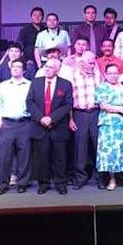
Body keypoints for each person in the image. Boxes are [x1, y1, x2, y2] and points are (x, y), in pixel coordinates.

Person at [27, 58, 73, 195]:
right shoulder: (36, 82)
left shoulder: (65, 84)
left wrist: (52, 118)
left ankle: (61, 184)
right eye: (46, 66)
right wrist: (41, 118)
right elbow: (29, 102)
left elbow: (68, 105)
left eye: (51, 67)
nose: (47, 69)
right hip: (39, 126)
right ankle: (43, 184)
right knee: (42, 157)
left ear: (57, 70)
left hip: (58, 127)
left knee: (60, 158)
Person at [96, 63, 123, 191]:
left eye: (115, 73)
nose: (113, 75)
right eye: (110, 73)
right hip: (109, 124)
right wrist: (120, 110)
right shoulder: (102, 87)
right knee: (111, 151)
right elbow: (103, 105)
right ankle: (112, 179)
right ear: (105, 74)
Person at [0, 59, 33, 195]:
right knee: (5, 156)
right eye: (13, 67)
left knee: (24, 155)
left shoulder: (30, 85)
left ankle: (22, 183)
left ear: (24, 70)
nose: (15, 69)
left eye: (18, 67)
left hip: (25, 123)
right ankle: (3, 184)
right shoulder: (3, 85)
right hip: (7, 123)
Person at [69, 51, 104, 189]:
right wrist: (70, 119)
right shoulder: (73, 76)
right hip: (80, 114)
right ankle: (80, 178)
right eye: (90, 63)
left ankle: (101, 178)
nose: (93, 65)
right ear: (82, 63)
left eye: (94, 62)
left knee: (98, 146)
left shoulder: (99, 76)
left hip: (96, 113)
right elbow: (68, 100)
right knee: (80, 148)